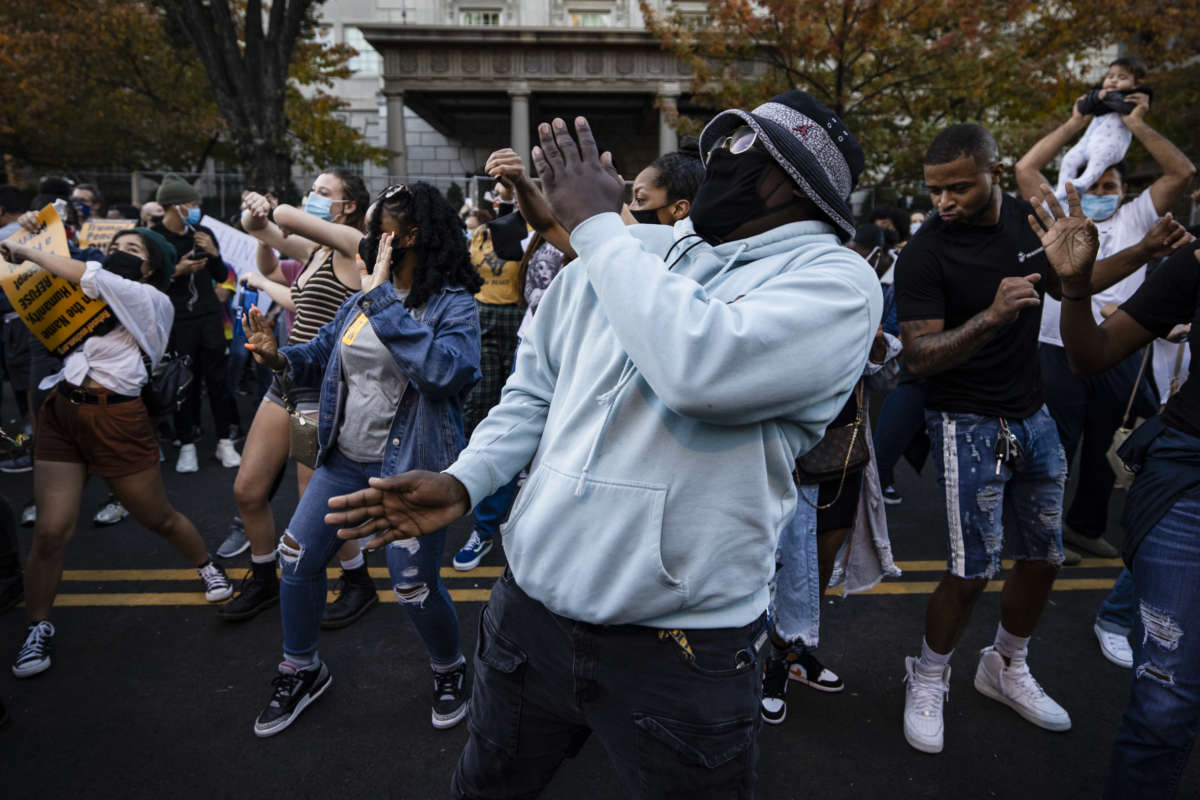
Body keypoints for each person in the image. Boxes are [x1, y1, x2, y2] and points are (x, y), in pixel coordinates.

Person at [325, 93, 880, 797]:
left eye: (737, 151)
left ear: (791, 180)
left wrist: (596, 226)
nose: (711, 165)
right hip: (528, 620)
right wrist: (467, 478)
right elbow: (532, 394)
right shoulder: (625, 252)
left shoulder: (836, 283)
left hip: (680, 650)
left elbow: (701, 370)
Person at [893, 123, 1163, 755]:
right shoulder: (925, 252)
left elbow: (1079, 280)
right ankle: (928, 676)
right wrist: (990, 316)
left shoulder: (1029, 222)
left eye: (959, 186)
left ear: (994, 171)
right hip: (965, 422)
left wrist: (1145, 252)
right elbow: (920, 356)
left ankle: (1006, 664)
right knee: (970, 571)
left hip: (1033, 415)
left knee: (1044, 558)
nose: (945, 202)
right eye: (935, 190)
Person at [244, 182, 482, 737]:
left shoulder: (452, 303)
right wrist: (278, 357)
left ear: (412, 235)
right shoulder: (359, 299)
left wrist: (380, 302)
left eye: (379, 228)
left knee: (413, 585)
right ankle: (301, 667)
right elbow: (321, 355)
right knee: (296, 560)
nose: (369, 237)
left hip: (409, 473)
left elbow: (448, 374)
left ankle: (449, 668)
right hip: (342, 461)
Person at [450, 142, 706, 572]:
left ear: (679, 210)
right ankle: (491, 526)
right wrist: (520, 184)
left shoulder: (683, 268)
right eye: (627, 196)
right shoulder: (609, 242)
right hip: (546, 356)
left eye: (639, 200)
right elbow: (548, 221)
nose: (628, 206)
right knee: (519, 432)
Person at [1026, 183, 1200, 800]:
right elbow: (1091, 354)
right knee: (1165, 701)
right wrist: (1075, 287)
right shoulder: (1195, 263)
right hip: (1189, 486)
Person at [3, 228, 232, 678]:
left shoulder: (151, 301)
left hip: (116, 421)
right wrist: (29, 230)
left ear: (151, 266)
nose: (118, 253)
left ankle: (207, 566)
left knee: (157, 517)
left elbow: (84, 271)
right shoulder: (89, 296)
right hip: (62, 413)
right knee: (50, 533)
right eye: (115, 247)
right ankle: (38, 626)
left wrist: (24, 250)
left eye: (132, 249)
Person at [218, 172, 371, 627]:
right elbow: (259, 230)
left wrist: (274, 209)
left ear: (347, 208)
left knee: (316, 496)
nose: (313, 198)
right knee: (248, 489)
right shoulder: (315, 251)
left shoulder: (351, 244)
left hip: (320, 390)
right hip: (283, 379)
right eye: (312, 192)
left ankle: (357, 579)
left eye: (324, 194)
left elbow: (280, 217)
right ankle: (265, 575)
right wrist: (254, 210)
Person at [150, 176, 241, 472]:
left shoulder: (202, 232)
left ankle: (224, 441)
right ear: (175, 206)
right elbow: (147, 282)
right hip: (177, 320)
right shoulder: (154, 238)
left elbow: (218, 273)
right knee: (183, 383)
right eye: (191, 203)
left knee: (218, 381)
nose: (195, 208)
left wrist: (213, 253)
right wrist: (178, 270)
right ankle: (186, 443)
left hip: (209, 317)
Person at [1055, 58, 1151, 202]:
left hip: (1111, 143)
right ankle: (1062, 189)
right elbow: (1082, 107)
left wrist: (1102, 98)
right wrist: (1096, 98)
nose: (1114, 80)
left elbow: (1125, 107)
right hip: (1088, 140)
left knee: (1098, 159)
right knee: (1069, 158)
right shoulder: (1098, 92)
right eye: (1110, 76)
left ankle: (1084, 182)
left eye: (1122, 77)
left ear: (1136, 83)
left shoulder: (1137, 96)